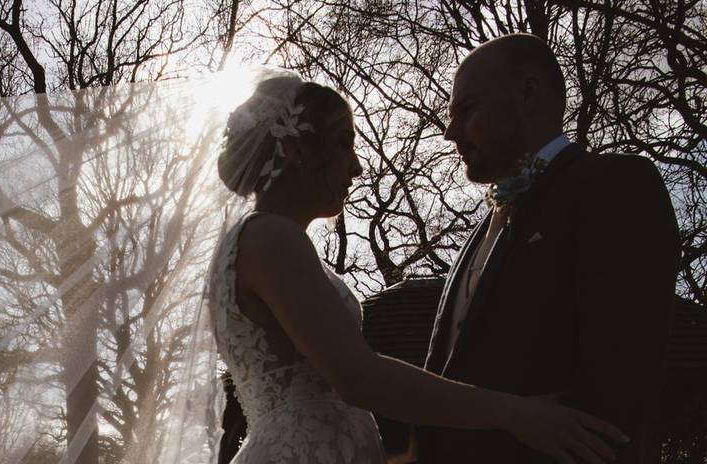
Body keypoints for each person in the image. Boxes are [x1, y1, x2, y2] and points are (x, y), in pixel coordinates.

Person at [210, 72, 628, 464]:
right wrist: (515, 413)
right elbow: (357, 377)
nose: (356, 166)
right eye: (343, 143)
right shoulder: (271, 237)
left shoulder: (257, 243)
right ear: (296, 151)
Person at [414, 34, 681, 463]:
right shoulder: (479, 235)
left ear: (528, 94)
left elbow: (620, 381)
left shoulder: (615, 187)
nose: (450, 132)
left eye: (467, 110)